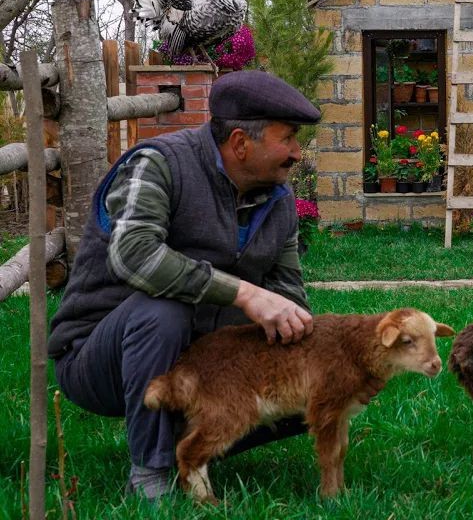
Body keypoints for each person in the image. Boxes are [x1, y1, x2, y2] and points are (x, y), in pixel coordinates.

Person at [48, 70, 322, 499]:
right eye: (287, 138)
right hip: (100, 355)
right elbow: (134, 256)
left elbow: (287, 296)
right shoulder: (157, 164)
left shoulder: (279, 202)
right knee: (163, 311)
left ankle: (193, 447)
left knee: (317, 375)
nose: (297, 153)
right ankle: (151, 476)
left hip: (201, 362)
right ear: (239, 143)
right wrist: (245, 294)